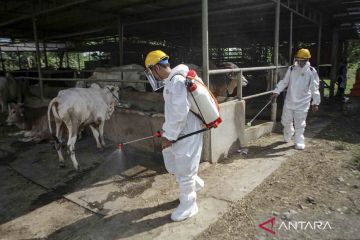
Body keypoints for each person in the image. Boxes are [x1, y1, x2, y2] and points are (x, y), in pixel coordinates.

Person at [144, 50, 204, 221]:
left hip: (188, 131)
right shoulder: (173, 81)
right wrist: (167, 131)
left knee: (184, 169)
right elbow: (174, 113)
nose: (151, 76)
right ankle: (195, 184)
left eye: (150, 71)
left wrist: (168, 136)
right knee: (174, 162)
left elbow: (179, 112)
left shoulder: (176, 81)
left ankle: (189, 205)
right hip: (182, 131)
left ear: (156, 67)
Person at [272, 48, 321, 150]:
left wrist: (315, 102)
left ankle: (299, 141)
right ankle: (289, 131)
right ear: (297, 59)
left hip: (303, 102)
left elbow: (314, 87)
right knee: (285, 120)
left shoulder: (311, 71)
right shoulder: (291, 69)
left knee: (300, 123)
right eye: (299, 59)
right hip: (290, 100)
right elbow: (284, 82)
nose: (301, 62)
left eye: (303, 60)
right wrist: (277, 91)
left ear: (307, 60)